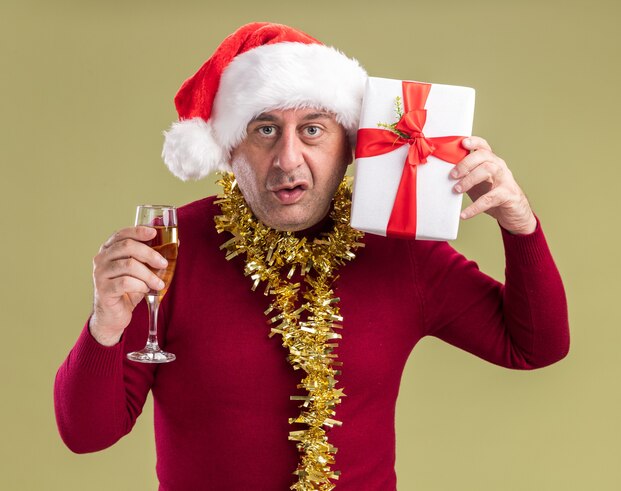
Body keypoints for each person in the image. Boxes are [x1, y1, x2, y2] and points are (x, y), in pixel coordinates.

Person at [54, 22, 569, 491]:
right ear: (230, 150)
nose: (288, 158)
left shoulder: (399, 250)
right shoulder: (173, 250)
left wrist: (521, 227)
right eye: (264, 129)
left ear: (349, 146)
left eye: (313, 129)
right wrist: (105, 323)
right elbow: (87, 434)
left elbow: (534, 347)